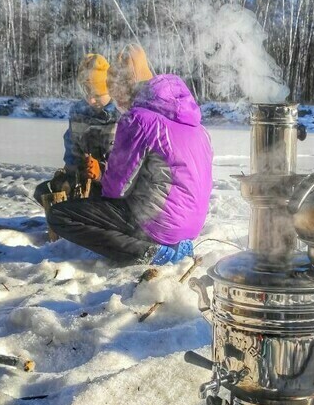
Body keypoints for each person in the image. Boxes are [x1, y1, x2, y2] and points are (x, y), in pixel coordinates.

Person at [47, 45, 213, 266]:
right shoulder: (195, 124)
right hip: (191, 227)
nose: (117, 104)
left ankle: (148, 251)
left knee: (60, 216)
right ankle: (171, 245)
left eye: (115, 95)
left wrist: (98, 178)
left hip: (159, 225)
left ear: (124, 90)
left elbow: (116, 189)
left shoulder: (138, 118)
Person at [34, 53, 121, 205]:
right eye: (87, 93)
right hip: (84, 181)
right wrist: (71, 176)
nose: (91, 100)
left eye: (97, 94)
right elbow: (72, 152)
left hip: (111, 187)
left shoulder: (121, 116)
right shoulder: (78, 112)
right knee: (43, 191)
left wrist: (100, 172)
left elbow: (126, 168)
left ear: (110, 89)